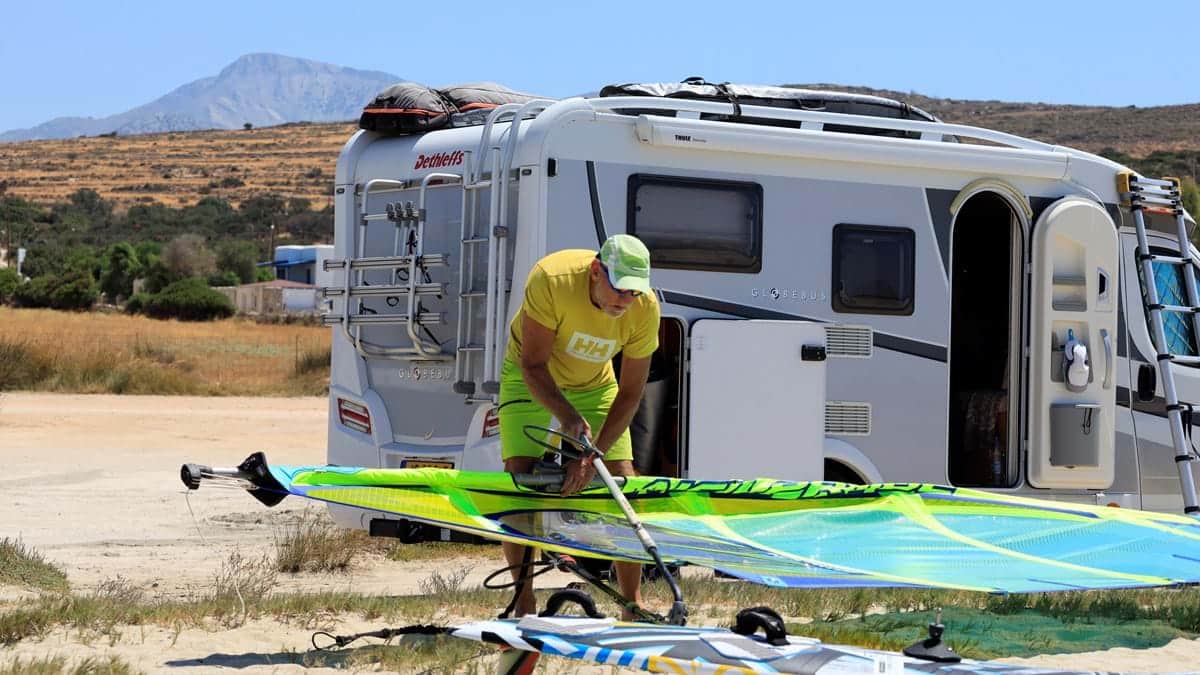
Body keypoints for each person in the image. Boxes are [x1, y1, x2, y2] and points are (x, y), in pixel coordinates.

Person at [497, 233, 659, 619]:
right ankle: (523, 600)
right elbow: (532, 366)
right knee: (521, 481)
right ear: (595, 271)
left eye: (634, 292)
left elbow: (631, 393)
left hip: (595, 385)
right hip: (531, 376)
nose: (625, 300)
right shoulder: (551, 279)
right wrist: (568, 419)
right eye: (618, 287)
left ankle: (631, 602)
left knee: (622, 482)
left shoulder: (645, 310)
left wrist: (591, 455)